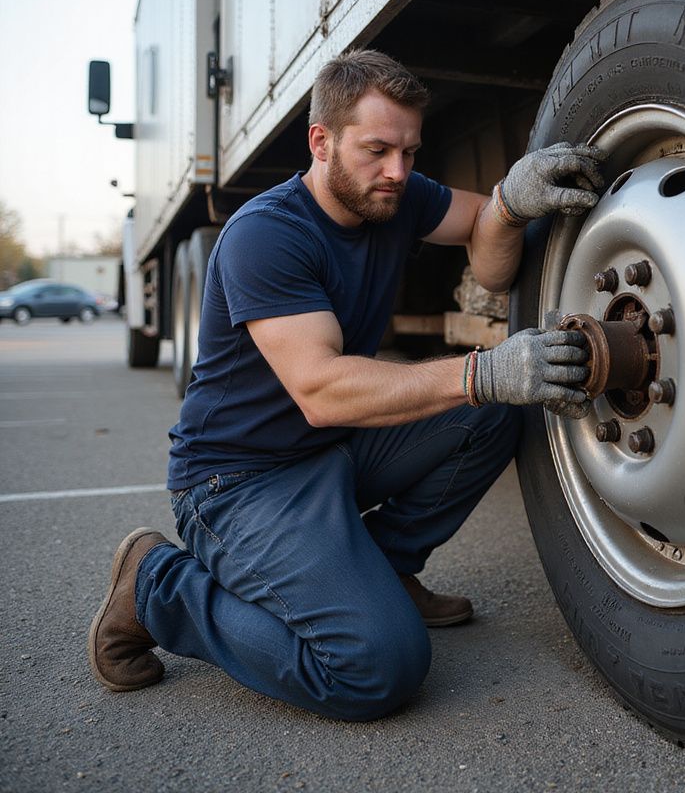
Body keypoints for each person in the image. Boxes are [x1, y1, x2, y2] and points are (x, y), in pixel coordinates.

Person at [88, 48, 606, 720]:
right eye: (377, 150)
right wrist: (483, 369)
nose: (397, 171)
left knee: (495, 414)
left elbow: (487, 243)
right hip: (239, 482)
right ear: (321, 141)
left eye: (410, 152)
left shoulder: (397, 198)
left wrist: (508, 204)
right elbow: (323, 390)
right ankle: (158, 586)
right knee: (374, 668)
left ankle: (385, 568)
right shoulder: (265, 236)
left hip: (330, 450)